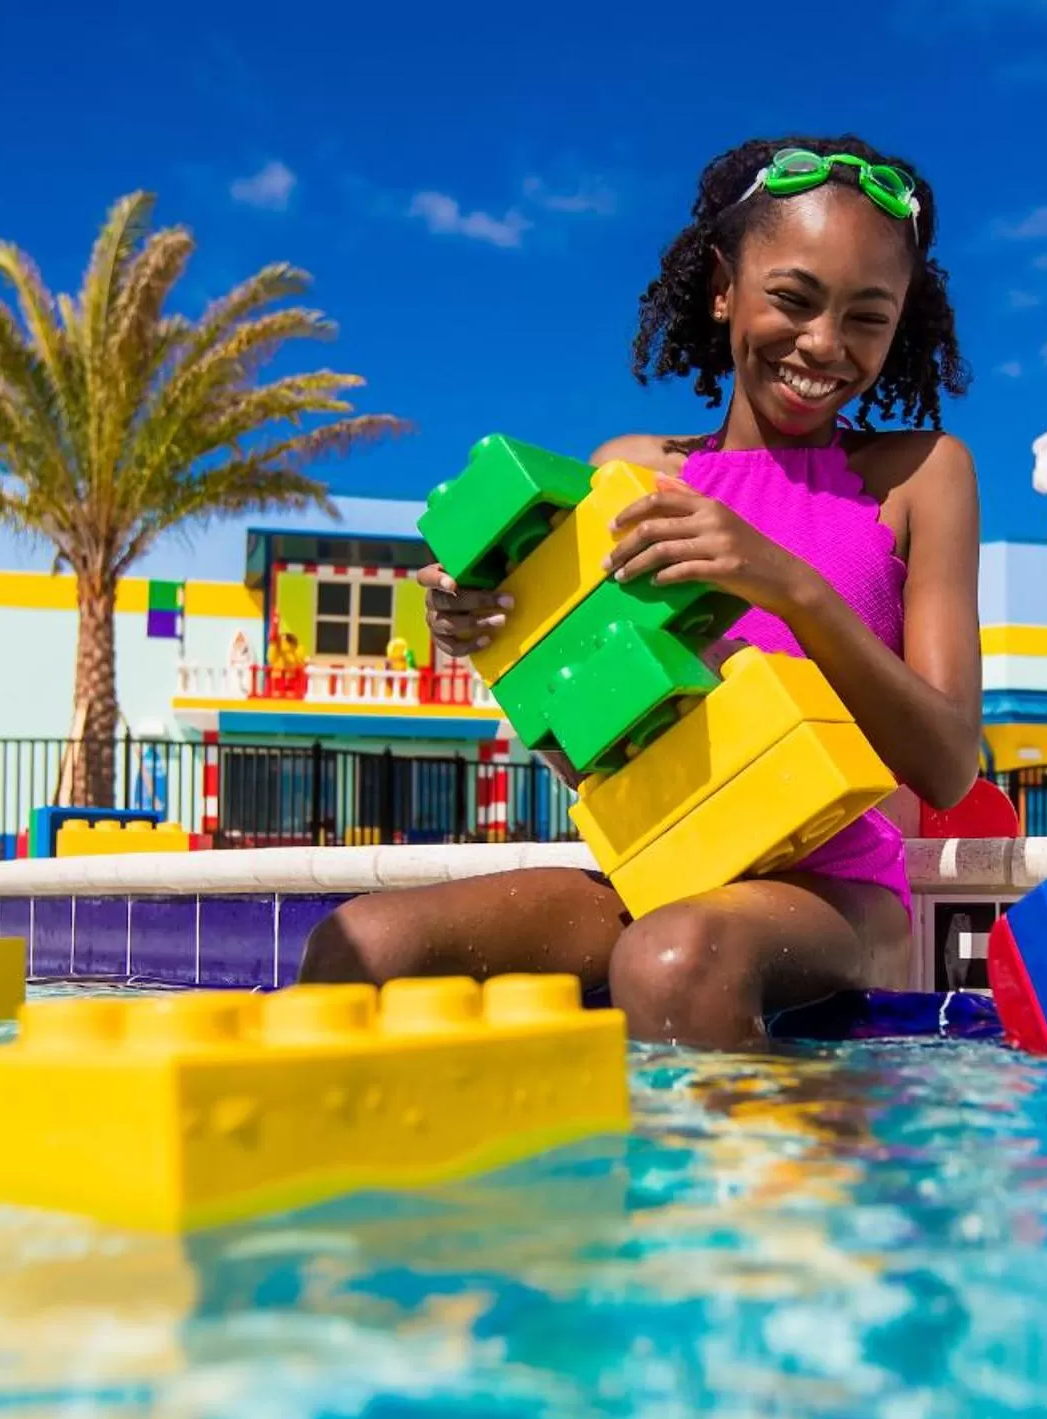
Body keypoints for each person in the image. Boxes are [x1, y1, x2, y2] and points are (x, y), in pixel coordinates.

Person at [301, 136, 983, 1047]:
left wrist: (785, 584)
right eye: (792, 298)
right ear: (722, 287)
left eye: (868, 317)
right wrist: (497, 637)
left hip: (841, 889)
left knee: (675, 959)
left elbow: (946, 761)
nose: (824, 343)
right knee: (362, 952)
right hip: (660, 875)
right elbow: (587, 756)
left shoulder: (922, 476)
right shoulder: (629, 477)